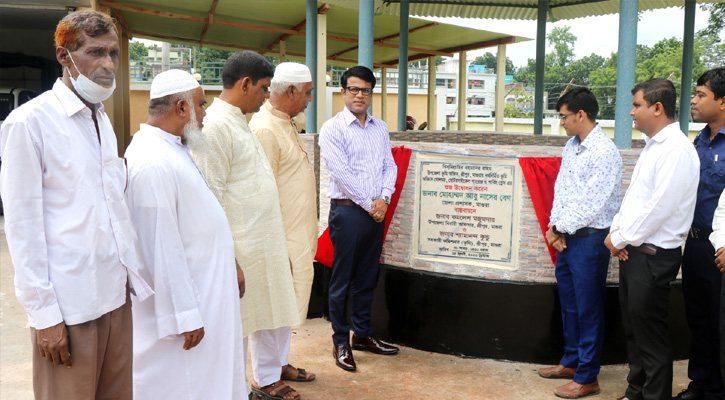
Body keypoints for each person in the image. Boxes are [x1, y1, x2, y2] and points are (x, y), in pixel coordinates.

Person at [0, 10, 152, 400]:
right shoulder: (29, 124)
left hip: (115, 296)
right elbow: (23, 227)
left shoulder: (100, 120)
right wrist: (45, 316)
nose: (107, 65)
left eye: (114, 54)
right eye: (95, 52)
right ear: (64, 56)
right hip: (71, 307)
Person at [190, 51, 307, 400]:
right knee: (233, 330)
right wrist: (229, 258)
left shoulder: (237, 119)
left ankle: (254, 383)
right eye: (263, 88)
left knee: (260, 317)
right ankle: (232, 391)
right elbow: (210, 196)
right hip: (237, 251)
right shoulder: (213, 125)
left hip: (260, 246)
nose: (265, 95)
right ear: (245, 84)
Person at [124, 69, 246, 400]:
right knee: (184, 384)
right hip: (186, 309)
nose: (205, 114)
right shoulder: (150, 161)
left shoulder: (172, 148)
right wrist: (184, 315)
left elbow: (199, 219)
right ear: (181, 108)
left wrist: (229, 260)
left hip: (207, 290)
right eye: (201, 105)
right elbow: (159, 246)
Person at [605, 78, 700, 400]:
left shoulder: (677, 150)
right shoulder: (653, 146)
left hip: (654, 254)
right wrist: (618, 234)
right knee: (634, 330)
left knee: (650, 336)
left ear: (657, 108)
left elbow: (660, 207)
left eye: (637, 105)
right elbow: (633, 198)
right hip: (635, 251)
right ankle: (636, 392)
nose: (631, 112)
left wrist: (623, 237)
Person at [538, 87, 622, 399]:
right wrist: (555, 227)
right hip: (567, 239)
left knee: (588, 308)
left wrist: (559, 227)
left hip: (590, 240)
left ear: (581, 115)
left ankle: (588, 376)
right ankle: (571, 362)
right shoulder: (572, 146)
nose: (561, 122)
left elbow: (593, 203)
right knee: (570, 305)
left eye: (563, 116)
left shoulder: (604, 151)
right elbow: (561, 190)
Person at [318, 65, 399, 372]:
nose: (359, 95)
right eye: (353, 89)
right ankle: (340, 341)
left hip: (374, 212)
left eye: (366, 90)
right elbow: (342, 173)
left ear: (371, 93)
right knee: (343, 280)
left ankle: (362, 335)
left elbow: (389, 166)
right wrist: (371, 204)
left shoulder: (380, 128)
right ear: (343, 92)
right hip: (348, 213)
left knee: (367, 278)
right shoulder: (333, 129)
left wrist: (385, 199)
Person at [249, 62, 318, 330]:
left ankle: (280, 363)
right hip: (283, 244)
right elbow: (261, 198)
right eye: (308, 92)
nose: (309, 100)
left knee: (286, 310)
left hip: (296, 240)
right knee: (275, 311)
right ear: (291, 90)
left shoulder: (283, 122)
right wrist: (276, 251)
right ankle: (270, 371)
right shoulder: (266, 128)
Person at [676, 67, 725, 400]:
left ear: (722, 101)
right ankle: (701, 383)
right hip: (694, 243)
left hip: (720, 246)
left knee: (721, 322)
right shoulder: (699, 141)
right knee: (699, 316)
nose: (693, 101)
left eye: (701, 95)